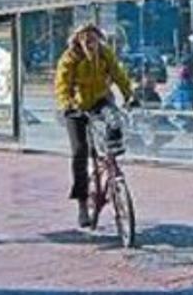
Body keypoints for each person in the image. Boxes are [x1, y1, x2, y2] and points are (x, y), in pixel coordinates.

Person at [54, 24, 137, 228]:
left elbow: (118, 74)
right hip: (76, 106)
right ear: (79, 40)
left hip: (99, 100)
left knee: (114, 119)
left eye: (95, 40)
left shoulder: (104, 53)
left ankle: (112, 156)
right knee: (80, 152)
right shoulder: (70, 58)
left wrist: (129, 95)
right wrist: (67, 104)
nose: (92, 45)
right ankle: (83, 205)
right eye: (87, 40)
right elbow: (62, 85)